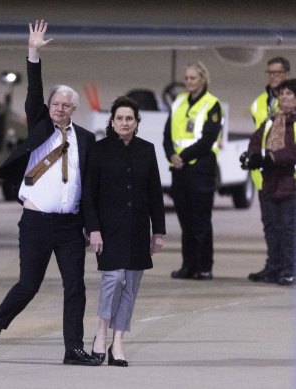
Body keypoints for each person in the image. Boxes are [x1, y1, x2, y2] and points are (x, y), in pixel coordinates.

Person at [0, 20, 98, 366]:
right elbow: (34, 90)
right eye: (55, 104)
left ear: (75, 110)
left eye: (66, 106)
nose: (60, 109)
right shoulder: (41, 127)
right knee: (29, 285)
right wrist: (33, 53)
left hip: (70, 226)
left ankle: (73, 348)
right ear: (48, 108)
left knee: (75, 287)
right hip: (35, 223)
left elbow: (87, 188)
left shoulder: (87, 140)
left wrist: (92, 226)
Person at [84, 96, 166, 367]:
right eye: (119, 118)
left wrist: (158, 232)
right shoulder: (99, 150)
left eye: (129, 118)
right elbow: (89, 195)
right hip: (108, 230)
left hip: (137, 229)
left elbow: (155, 192)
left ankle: (118, 342)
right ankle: (100, 332)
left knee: (130, 285)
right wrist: (93, 229)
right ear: (112, 121)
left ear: (137, 122)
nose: (124, 122)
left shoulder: (147, 149)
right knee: (112, 280)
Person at [163, 61, 222, 281]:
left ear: (202, 80)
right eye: (186, 78)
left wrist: (183, 157)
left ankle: (204, 266)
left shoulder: (211, 104)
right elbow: (167, 134)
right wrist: (171, 155)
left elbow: (208, 140)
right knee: (185, 221)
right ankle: (188, 265)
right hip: (179, 171)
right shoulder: (178, 102)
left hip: (200, 170)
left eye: (193, 78)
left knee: (201, 221)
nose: (189, 82)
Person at [242, 79, 296, 286]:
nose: (284, 97)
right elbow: (257, 139)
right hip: (270, 182)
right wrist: (252, 156)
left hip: (290, 183)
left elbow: (292, 152)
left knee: (288, 228)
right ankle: (274, 267)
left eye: (289, 94)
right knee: (271, 227)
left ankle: (289, 269)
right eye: (282, 94)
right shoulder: (272, 120)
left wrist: (271, 158)